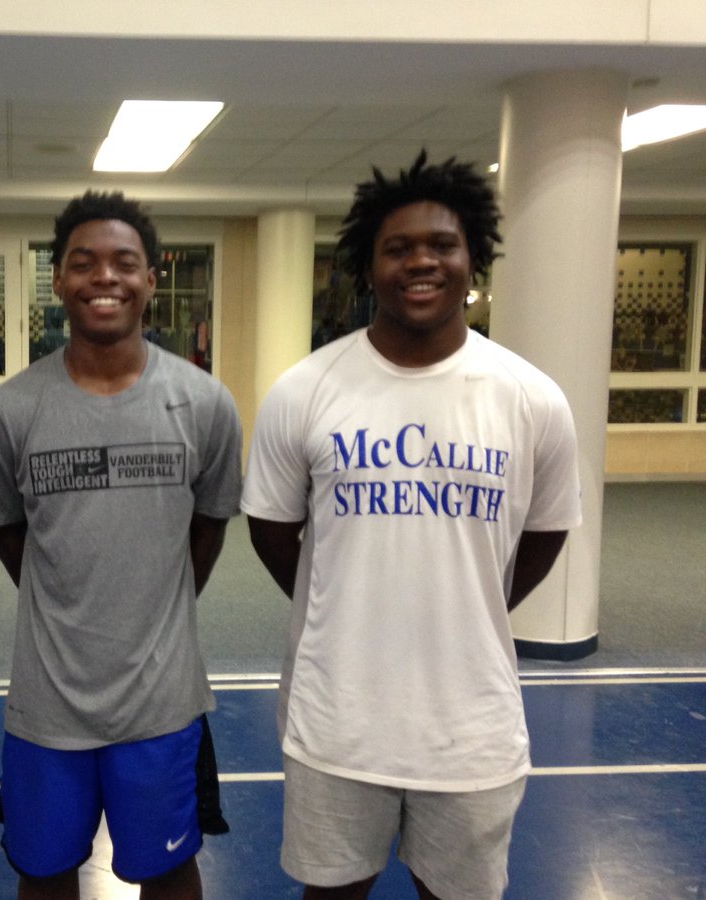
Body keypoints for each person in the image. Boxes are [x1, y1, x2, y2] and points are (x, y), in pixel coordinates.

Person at [242, 151, 582, 900]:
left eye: (442, 245)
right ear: (369, 266)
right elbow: (270, 528)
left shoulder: (532, 399)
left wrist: (475, 602)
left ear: (473, 259)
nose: (422, 261)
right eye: (398, 248)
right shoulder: (305, 390)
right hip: (336, 722)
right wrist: (336, 598)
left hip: (471, 731)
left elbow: (548, 531)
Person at [0, 191, 243, 900]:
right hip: (46, 705)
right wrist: (69, 597)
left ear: (151, 278)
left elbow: (208, 527)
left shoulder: (206, 403)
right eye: (83, 262)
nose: (104, 277)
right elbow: (10, 533)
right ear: (58, 279)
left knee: (169, 872)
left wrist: (153, 599)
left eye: (124, 262)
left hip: (161, 705)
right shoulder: (10, 409)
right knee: (43, 872)